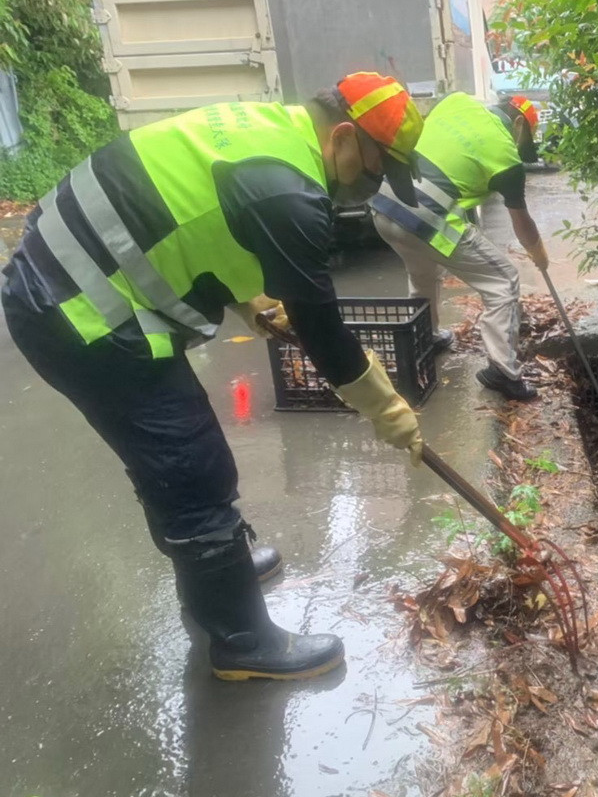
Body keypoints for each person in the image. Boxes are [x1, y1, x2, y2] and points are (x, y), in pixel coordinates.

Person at [1, 72, 426, 681]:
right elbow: (325, 335)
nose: (369, 186)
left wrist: (249, 298)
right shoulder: (290, 190)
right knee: (188, 463)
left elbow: (195, 218)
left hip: (69, 282)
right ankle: (241, 641)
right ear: (341, 136)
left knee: (176, 459)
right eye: (374, 169)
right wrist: (391, 413)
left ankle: (215, 576)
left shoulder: (269, 132)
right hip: (76, 311)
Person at [370, 93, 550, 401]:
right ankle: (504, 372)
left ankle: (427, 337)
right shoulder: (506, 154)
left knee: (423, 274)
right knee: (503, 279)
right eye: (526, 141)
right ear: (519, 124)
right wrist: (539, 254)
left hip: (383, 204)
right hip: (427, 213)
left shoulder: (456, 102)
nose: (522, 148)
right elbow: (522, 224)